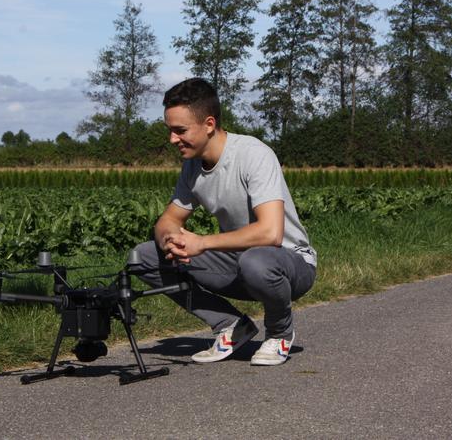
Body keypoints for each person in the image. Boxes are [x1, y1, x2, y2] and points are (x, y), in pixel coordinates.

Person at [129, 77, 317, 366]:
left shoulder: (253, 154)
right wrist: (171, 240)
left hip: (291, 265)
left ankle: (279, 333)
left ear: (209, 124)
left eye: (180, 131)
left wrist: (201, 243)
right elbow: (168, 219)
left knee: (255, 261)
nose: (172, 140)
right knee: (143, 257)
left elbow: (271, 232)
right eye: (170, 131)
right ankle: (231, 326)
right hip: (239, 263)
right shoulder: (192, 167)